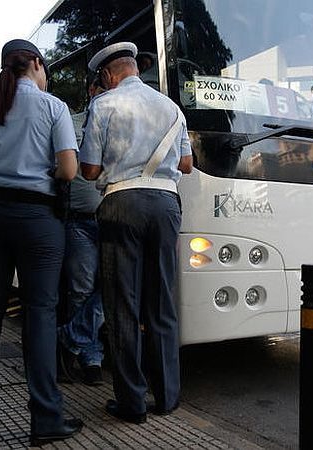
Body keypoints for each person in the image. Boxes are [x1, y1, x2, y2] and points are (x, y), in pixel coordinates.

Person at [0, 39, 83, 445]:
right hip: (39, 220)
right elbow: (69, 170)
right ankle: (45, 418)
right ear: (36, 63)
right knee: (40, 314)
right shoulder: (53, 107)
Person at [80, 41, 193, 424]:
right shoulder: (172, 107)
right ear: (135, 69)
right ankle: (167, 397)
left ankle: (132, 402)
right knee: (162, 301)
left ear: (108, 74)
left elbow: (89, 170)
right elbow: (187, 163)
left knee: (122, 304)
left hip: (122, 204)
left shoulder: (103, 105)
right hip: (166, 204)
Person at [58, 77, 105, 386]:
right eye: (104, 90)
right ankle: (91, 358)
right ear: (92, 91)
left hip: (113, 218)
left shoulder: (119, 124)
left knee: (114, 285)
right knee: (82, 290)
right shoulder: (70, 123)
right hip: (79, 221)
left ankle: (69, 339)